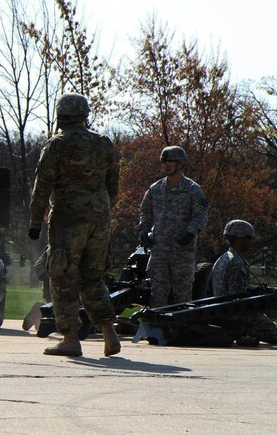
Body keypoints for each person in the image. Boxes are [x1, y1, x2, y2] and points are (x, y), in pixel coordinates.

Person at [28, 92, 121, 357]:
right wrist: (102, 212)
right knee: (93, 277)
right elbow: (112, 185)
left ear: (60, 116)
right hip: (99, 220)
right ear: (84, 115)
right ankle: (108, 331)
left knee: (62, 277)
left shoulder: (57, 145)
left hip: (68, 221)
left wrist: (35, 222)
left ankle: (70, 338)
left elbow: (41, 187)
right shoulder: (104, 144)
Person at [137, 146, 209, 307]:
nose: (167, 165)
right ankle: (157, 329)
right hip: (159, 250)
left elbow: (201, 214)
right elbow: (145, 211)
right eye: (164, 162)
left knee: (183, 293)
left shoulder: (192, 190)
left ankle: (182, 329)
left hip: (182, 251)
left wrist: (190, 232)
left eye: (171, 162)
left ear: (181, 164)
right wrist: (143, 230)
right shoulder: (155, 189)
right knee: (157, 292)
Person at [211, 219, 277, 346]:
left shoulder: (223, 258)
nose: (251, 242)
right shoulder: (237, 263)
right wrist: (263, 302)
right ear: (240, 239)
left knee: (270, 315)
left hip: (222, 308)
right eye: (249, 238)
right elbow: (237, 296)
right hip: (233, 312)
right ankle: (241, 331)